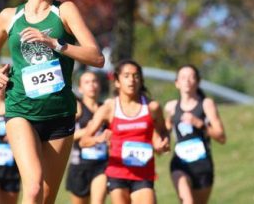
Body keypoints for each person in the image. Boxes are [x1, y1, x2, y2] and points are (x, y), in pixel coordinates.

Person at [0, 0, 105, 204]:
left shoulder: (65, 11)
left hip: (59, 115)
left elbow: (97, 57)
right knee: (33, 187)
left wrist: (56, 44)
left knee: (46, 198)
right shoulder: (9, 17)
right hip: (20, 110)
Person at [79, 60, 170, 204]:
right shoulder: (109, 108)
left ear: (141, 80)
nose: (132, 80)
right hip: (117, 174)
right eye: (126, 76)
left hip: (144, 174)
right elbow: (84, 141)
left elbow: (164, 132)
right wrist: (98, 139)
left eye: (136, 76)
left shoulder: (152, 108)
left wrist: (163, 143)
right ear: (117, 81)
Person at [164, 64, 226, 204]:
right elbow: (164, 133)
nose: (187, 81)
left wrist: (200, 124)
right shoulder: (171, 107)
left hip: (202, 165)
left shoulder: (206, 104)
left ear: (198, 81)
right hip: (180, 164)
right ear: (177, 83)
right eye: (183, 77)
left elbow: (221, 137)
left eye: (191, 77)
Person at [65, 71, 108, 204]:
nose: (92, 85)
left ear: (100, 85)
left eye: (95, 81)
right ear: (80, 88)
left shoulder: (106, 108)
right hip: (80, 166)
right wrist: (90, 130)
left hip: (102, 165)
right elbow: (68, 136)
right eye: (87, 82)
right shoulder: (77, 108)